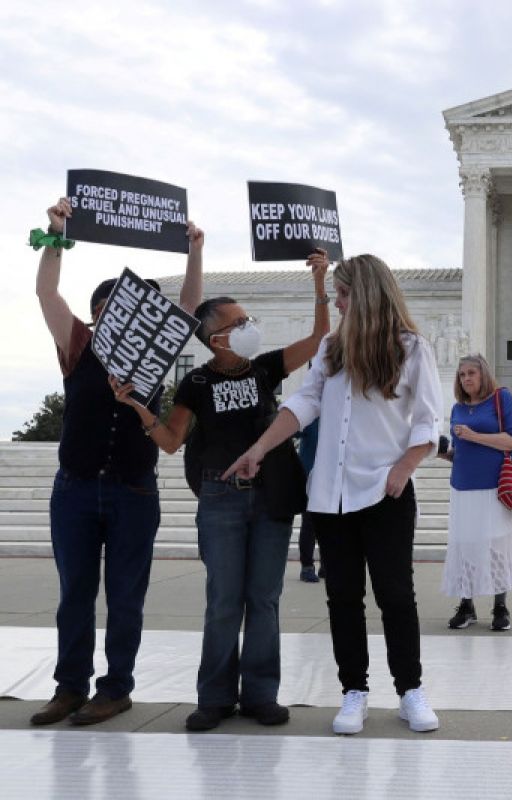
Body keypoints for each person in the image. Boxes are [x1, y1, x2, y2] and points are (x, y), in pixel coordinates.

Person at [224, 254, 443, 736]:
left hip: (386, 489)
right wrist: (259, 448)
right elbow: (303, 403)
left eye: (341, 293)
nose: (337, 302)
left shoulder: (411, 348)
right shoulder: (330, 348)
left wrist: (405, 466)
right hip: (331, 495)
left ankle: (410, 691)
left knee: (395, 596)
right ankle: (354, 692)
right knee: (342, 597)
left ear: (364, 292)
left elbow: (429, 419)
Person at [115, 250, 330, 731]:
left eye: (247, 318)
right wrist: (138, 409)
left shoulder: (266, 368)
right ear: (216, 337)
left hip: (272, 494)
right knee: (224, 600)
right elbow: (171, 442)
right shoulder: (194, 382)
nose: (248, 325)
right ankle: (214, 697)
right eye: (239, 321)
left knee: (265, 598)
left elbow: (319, 339)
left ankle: (259, 695)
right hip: (220, 496)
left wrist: (320, 283)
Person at [30, 197, 203, 726]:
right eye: (114, 308)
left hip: (133, 489)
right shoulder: (77, 344)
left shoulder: (155, 350)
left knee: (126, 598)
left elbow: (190, 313)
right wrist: (55, 234)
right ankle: (68, 687)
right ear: (99, 312)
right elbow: (46, 292)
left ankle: (116, 688)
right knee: (74, 596)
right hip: (76, 488)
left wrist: (196, 251)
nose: (125, 317)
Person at [438, 354, 512, 631]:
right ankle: (466, 605)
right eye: (462, 375)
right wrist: (441, 453)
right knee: (465, 545)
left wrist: (473, 435)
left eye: (471, 373)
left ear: (483, 374)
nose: (466, 379)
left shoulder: (501, 399)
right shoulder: (457, 409)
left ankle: (500, 606)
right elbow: (460, 452)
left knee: (495, 544)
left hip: (495, 486)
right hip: (462, 486)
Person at [296, 418, 323, 582]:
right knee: (310, 524)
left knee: (331, 525)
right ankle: (307, 566)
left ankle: (326, 566)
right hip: (309, 479)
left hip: (330, 479)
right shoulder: (311, 418)